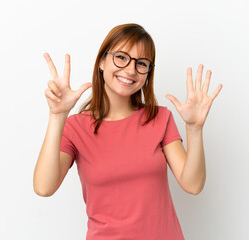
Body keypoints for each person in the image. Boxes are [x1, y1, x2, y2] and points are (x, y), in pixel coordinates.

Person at [33, 23, 222, 240]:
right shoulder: (75, 127)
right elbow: (43, 187)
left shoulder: (160, 118)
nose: (131, 70)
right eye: (121, 57)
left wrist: (194, 129)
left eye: (141, 63)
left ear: (148, 72)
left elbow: (193, 184)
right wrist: (57, 116)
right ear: (102, 61)